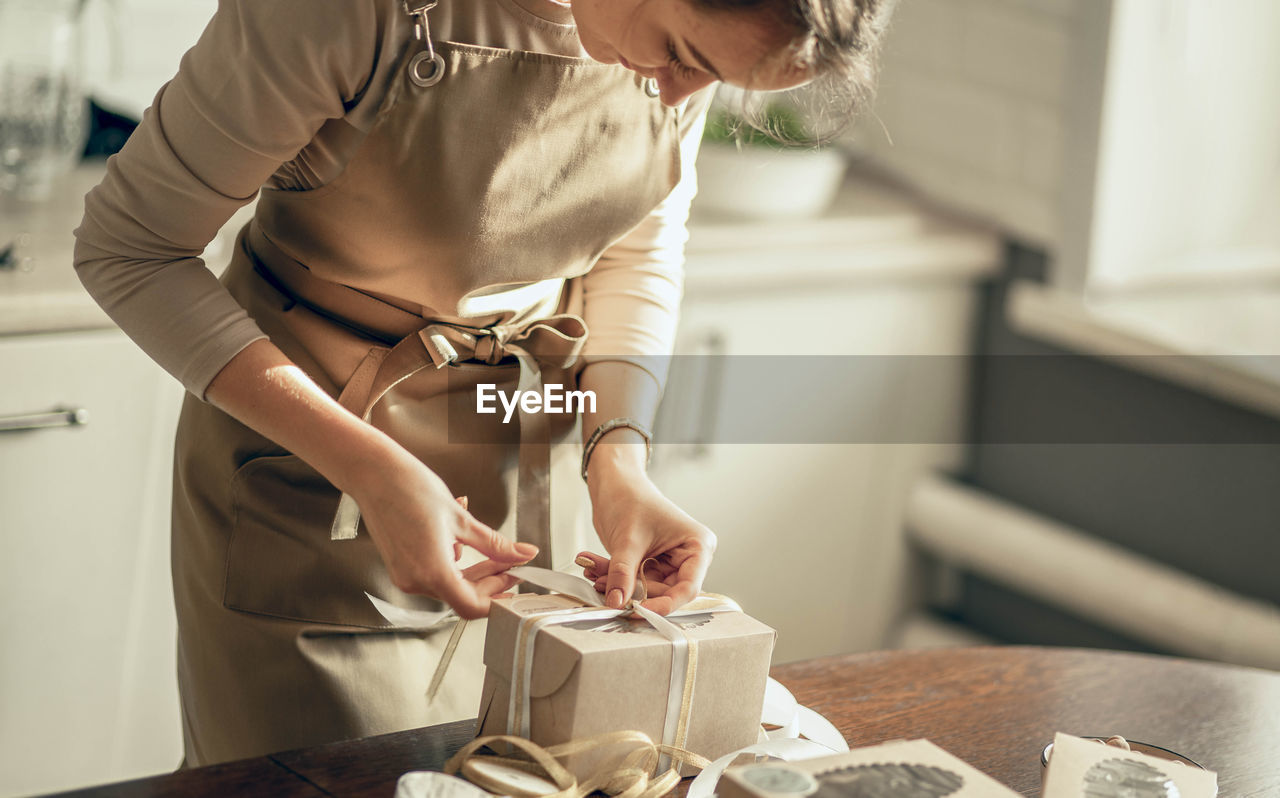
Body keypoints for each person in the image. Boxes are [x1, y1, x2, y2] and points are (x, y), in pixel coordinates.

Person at [74, 0, 892, 768]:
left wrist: (618, 459)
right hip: (309, 477)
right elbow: (129, 249)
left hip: (524, 465)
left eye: (713, 76)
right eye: (682, 54)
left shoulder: (671, 44)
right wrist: (368, 467)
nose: (679, 91)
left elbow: (636, 249)